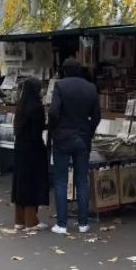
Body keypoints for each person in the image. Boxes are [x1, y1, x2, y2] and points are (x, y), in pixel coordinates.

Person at [48, 58, 101, 234]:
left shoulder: (60, 86)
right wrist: (89, 131)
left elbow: (54, 111)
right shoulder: (91, 88)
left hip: (63, 138)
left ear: (64, 71)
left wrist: (54, 129)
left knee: (61, 180)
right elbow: (97, 116)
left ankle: (62, 224)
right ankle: (83, 223)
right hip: (83, 138)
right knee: (81, 180)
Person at [11, 78, 50, 231]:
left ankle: (19, 220)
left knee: (20, 183)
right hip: (33, 149)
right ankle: (31, 220)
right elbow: (37, 132)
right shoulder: (36, 108)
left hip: (20, 148)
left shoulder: (21, 107)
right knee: (32, 183)